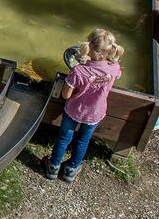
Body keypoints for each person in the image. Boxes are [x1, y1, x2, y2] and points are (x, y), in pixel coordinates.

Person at [44, 28, 124, 183]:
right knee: (83, 141)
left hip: (74, 110)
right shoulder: (114, 69)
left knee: (63, 138)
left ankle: (53, 166)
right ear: (108, 52)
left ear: (90, 48)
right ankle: (71, 170)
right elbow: (117, 74)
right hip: (95, 113)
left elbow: (65, 95)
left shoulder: (78, 71)